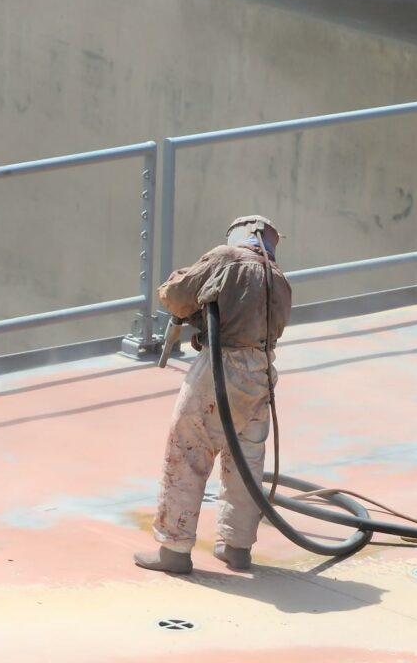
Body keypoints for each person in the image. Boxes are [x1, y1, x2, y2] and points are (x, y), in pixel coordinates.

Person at [134, 215, 291, 574]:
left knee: (189, 451)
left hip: (221, 368)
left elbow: (175, 297)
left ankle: (174, 549)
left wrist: (183, 281)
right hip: (261, 375)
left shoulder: (225, 258)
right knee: (245, 462)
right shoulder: (280, 281)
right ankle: (237, 549)